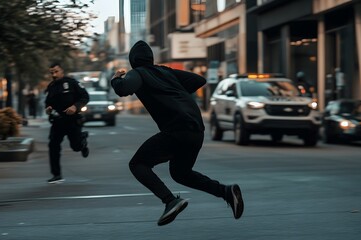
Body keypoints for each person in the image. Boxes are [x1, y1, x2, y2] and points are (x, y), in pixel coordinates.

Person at [111, 40, 244, 226]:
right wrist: (174, 89)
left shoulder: (138, 73)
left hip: (177, 129)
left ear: (133, 60)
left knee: (138, 164)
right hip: (196, 130)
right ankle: (225, 192)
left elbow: (124, 89)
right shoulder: (166, 71)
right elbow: (199, 80)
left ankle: (170, 201)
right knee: (181, 173)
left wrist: (116, 78)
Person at [45, 63, 90, 184]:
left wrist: (75, 107)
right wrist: (48, 108)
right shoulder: (51, 87)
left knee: (75, 147)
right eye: (52, 72)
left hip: (72, 120)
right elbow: (48, 102)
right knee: (53, 146)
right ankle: (56, 174)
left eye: (56, 71)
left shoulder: (72, 83)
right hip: (58, 121)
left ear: (62, 71)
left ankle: (82, 141)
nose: (54, 75)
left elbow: (85, 97)